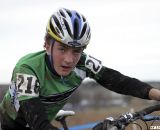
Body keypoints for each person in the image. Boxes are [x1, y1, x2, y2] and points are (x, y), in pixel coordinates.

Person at [0, 7, 160, 130]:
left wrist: (157, 95)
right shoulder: (28, 68)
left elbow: (120, 82)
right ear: (47, 45)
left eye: (76, 51)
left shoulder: (83, 63)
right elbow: (38, 123)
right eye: (62, 49)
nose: (69, 59)